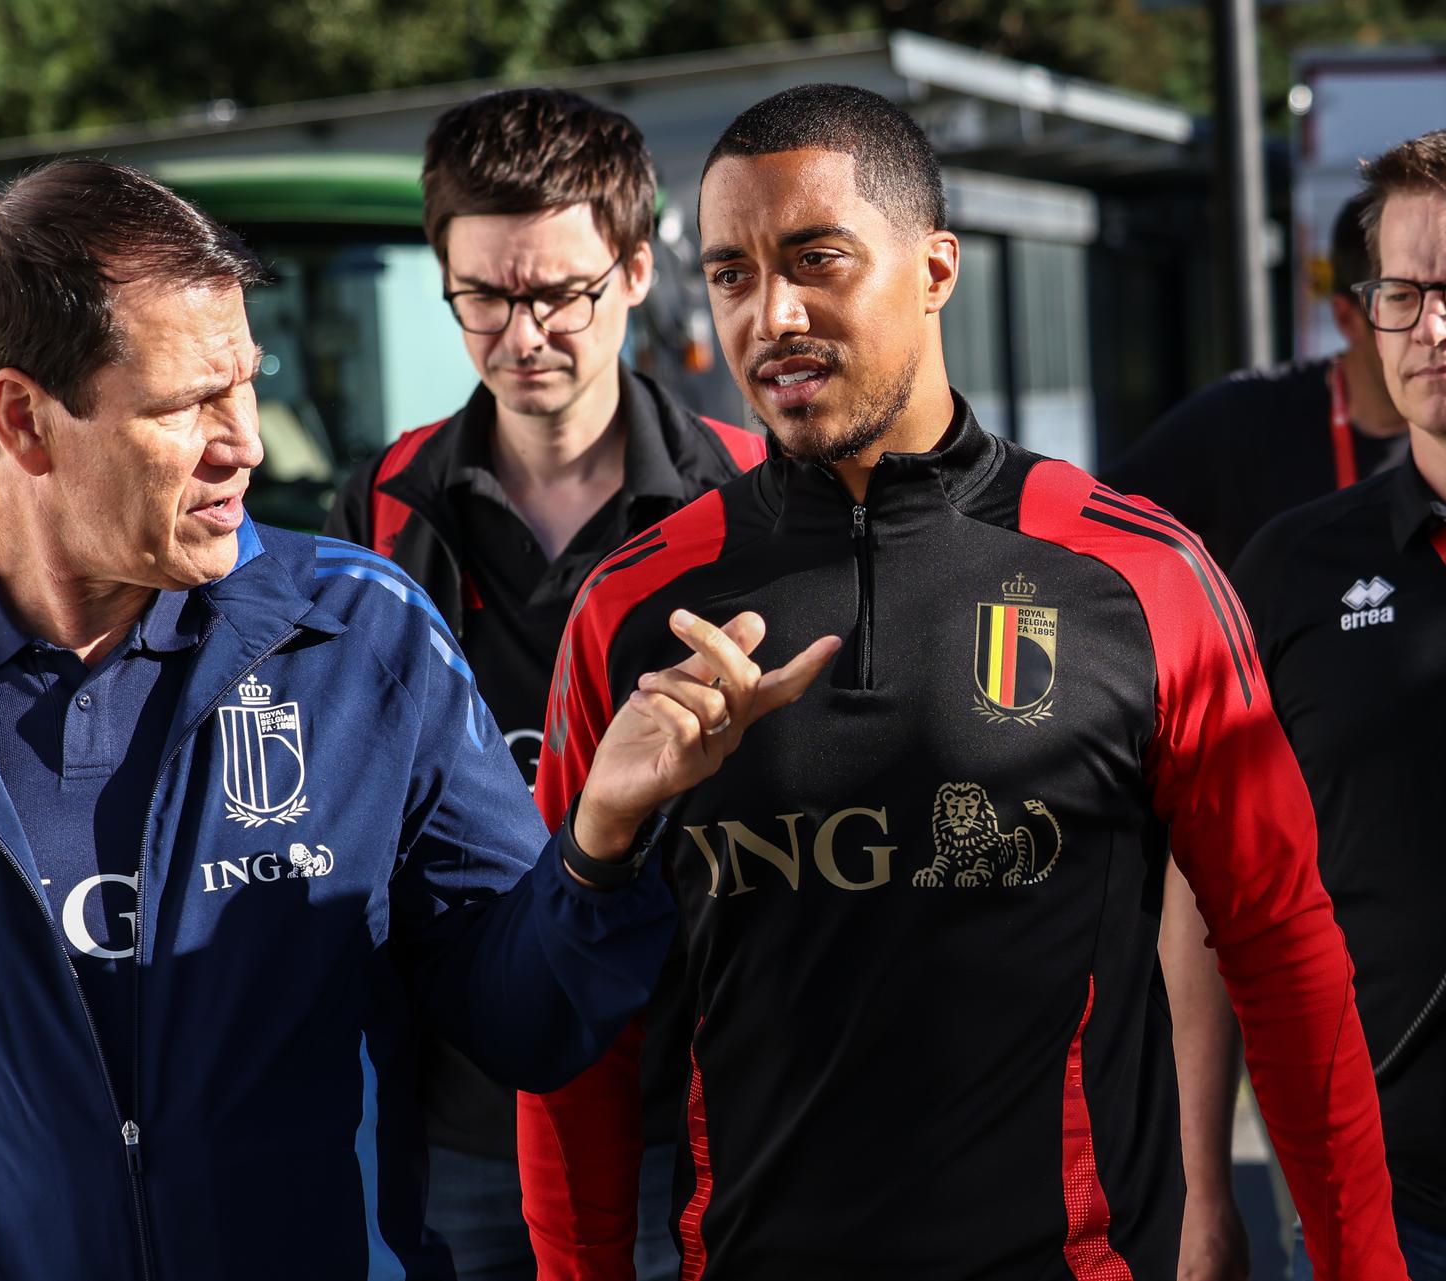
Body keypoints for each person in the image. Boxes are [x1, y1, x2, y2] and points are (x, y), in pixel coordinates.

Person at [0, 158, 841, 1280]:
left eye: (249, 384)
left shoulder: (364, 637)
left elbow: (526, 1024)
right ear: (23, 421)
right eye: (190, 405)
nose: (247, 444)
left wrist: (599, 844)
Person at [517, 84, 1407, 1280]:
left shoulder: (1141, 576)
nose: (771, 315)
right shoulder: (636, 609)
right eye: (730, 274)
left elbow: (1283, 950)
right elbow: (576, 1015)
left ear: (936, 270)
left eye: (817, 259)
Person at [324, 87, 763, 1281]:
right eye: (483, 296)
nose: (522, 336)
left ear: (635, 270)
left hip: (694, 1103)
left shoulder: (747, 497)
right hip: (462, 1111)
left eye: (559, 294)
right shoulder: (380, 508)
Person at [1231, 129, 1446, 1281]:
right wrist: (1205, 1185)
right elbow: (1209, 891)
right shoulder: (1292, 569)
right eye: (1402, 296)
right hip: (1380, 1209)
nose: (1432, 331)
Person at [1107, 190, 1409, 570]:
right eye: (1403, 301)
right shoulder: (1242, 416)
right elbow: (1086, 532)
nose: (1435, 330)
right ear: (1346, 319)